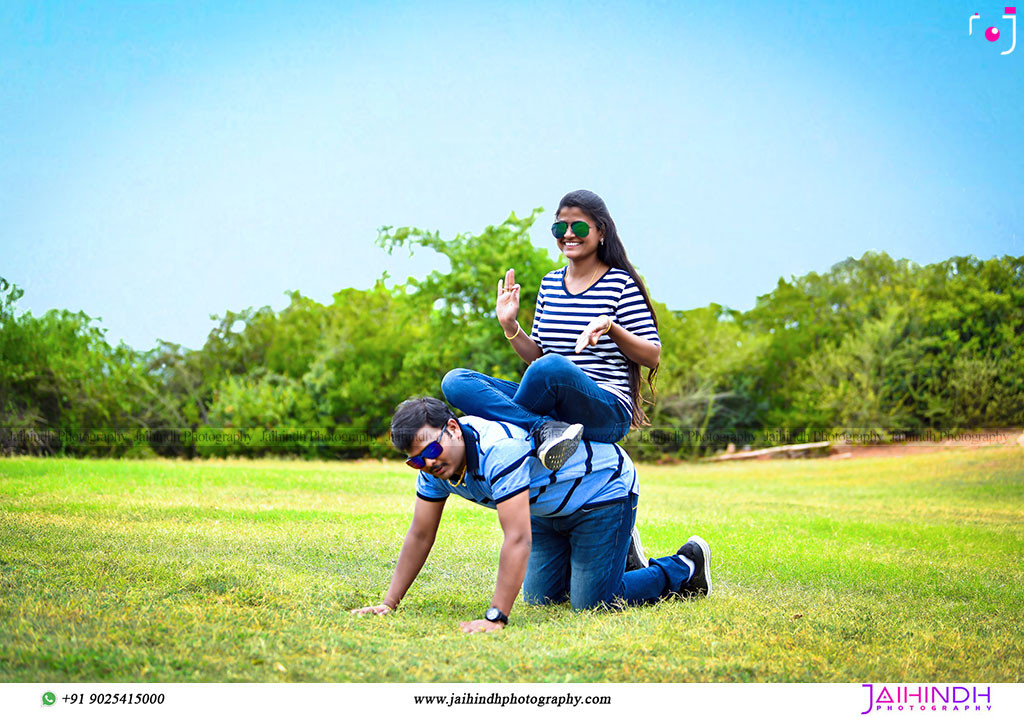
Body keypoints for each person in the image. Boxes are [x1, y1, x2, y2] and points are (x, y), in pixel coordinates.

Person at [350, 397, 711, 633]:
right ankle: (618, 552)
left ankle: (685, 566)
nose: (427, 462)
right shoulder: (435, 469)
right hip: (545, 508)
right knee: (542, 599)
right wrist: (389, 603)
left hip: (601, 491)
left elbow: (517, 538)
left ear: (454, 429)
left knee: (593, 604)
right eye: (416, 459)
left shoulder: (498, 450)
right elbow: (420, 535)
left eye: (431, 448)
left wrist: (496, 617)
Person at [441, 189, 661, 475]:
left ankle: (509, 437)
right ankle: (543, 428)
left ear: (601, 231)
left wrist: (610, 326)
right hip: (555, 410)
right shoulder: (550, 283)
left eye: (579, 226)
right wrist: (510, 325)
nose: (568, 234)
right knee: (456, 381)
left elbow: (652, 356)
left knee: (553, 366)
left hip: (606, 410)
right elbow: (536, 356)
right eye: (560, 227)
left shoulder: (620, 284)